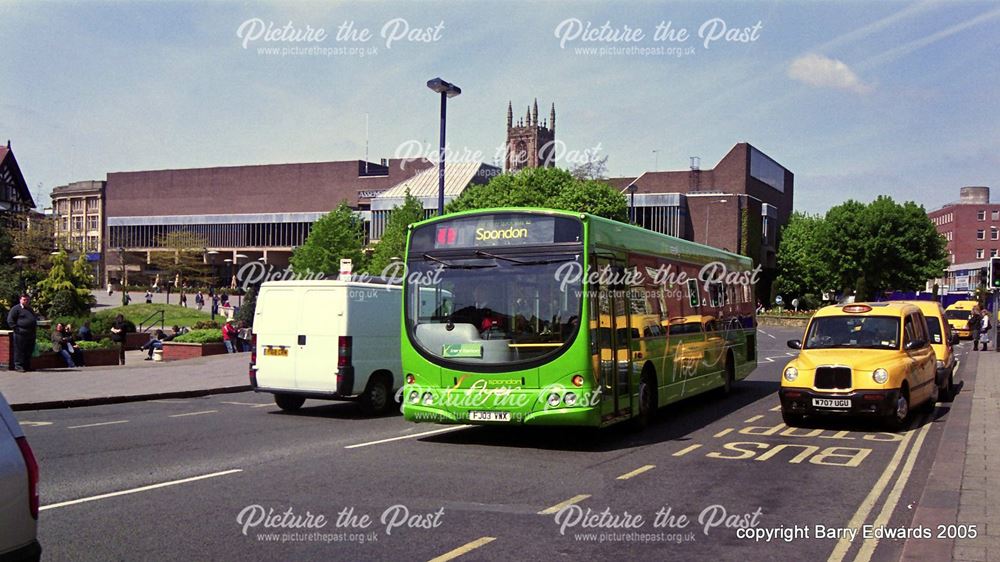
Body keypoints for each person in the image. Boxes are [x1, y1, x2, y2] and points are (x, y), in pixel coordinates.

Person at [6, 294, 37, 372]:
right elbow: (10, 320)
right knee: (20, 350)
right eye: (24, 299)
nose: (26, 301)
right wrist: (16, 329)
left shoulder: (30, 309)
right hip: (20, 333)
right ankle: (18, 366)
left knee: (29, 350)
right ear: (20, 300)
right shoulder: (15, 309)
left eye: (27, 299)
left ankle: (27, 366)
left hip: (30, 333)